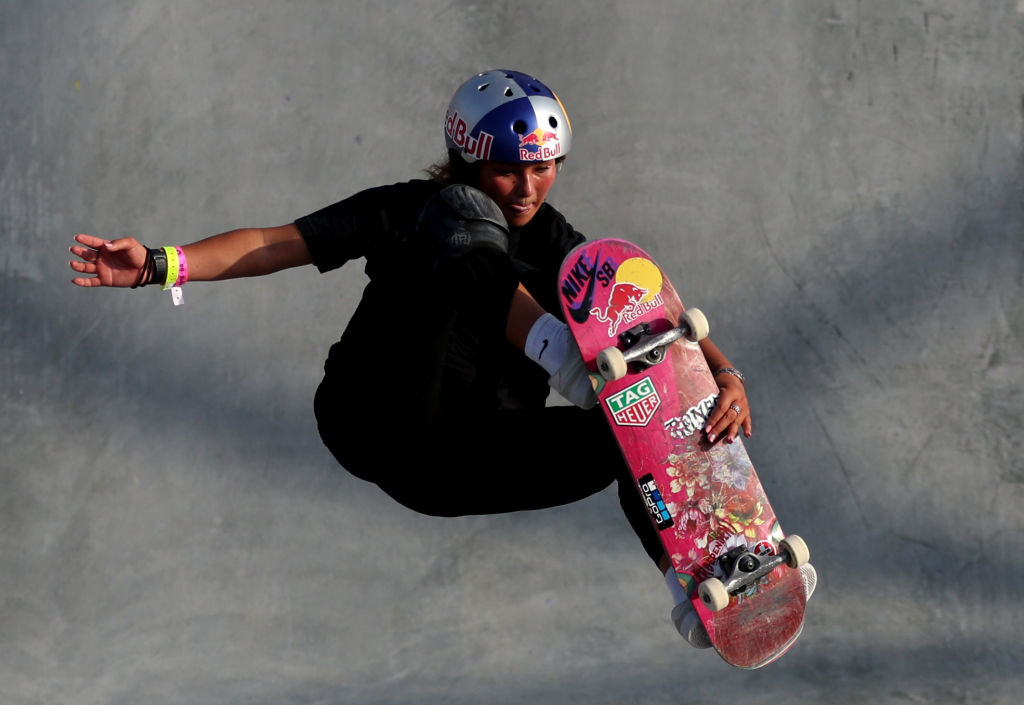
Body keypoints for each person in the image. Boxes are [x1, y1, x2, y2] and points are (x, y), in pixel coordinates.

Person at [69, 69, 813, 649]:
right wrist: (159, 264)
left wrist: (720, 375)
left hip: (461, 461)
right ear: (467, 157)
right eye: (510, 171)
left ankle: (706, 582)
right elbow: (277, 242)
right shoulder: (410, 207)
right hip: (379, 412)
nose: (528, 188)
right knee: (461, 224)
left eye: (545, 167)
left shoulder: (551, 234)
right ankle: (563, 358)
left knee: (635, 425)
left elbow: (644, 310)